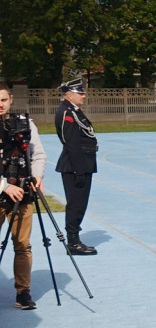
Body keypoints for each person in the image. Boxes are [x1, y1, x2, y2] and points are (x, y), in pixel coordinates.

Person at [0, 83, 47, 309]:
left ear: (10, 100)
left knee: (22, 245)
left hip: (22, 195)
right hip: (3, 191)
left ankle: (23, 292)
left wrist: (37, 177)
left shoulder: (25, 124)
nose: (0, 105)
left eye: (3, 100)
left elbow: (38, 155)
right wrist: (4, 186)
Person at [54, 77, 98, 256]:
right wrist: (79, 169)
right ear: (69, 95)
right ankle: (73, 242)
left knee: (81, 203)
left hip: (84, 163)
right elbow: (70, 143)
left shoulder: (74, 111)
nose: (84, 95)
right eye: (80, 93)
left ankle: (75, 239)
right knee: (76, 204)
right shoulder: (66, 112)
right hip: (74, 165)